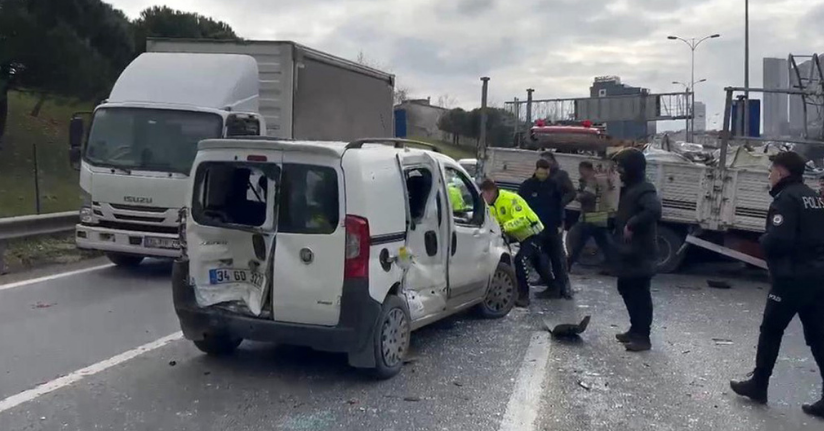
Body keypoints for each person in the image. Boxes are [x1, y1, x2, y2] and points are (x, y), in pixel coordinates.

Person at [730, 151, 824, 418]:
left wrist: (763, 241)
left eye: (771, 170)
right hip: (817, 276)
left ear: (782, 172)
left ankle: (759, 384)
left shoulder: (786, 199)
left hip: (791, 278)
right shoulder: (812, 197)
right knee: (818, 336)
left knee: (771, 330)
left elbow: (779, 240)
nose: (769, 175)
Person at [610, 148, 662, 352]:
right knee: (625, 288)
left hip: (641, 254)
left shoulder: (644, 188)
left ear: (632, 168)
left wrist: (632, 224)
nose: (619, 171)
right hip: (628, 253)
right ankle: (634, 329)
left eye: (622, 167)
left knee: (640, 294)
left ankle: (643, 337)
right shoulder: (631, 187)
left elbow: (654, 210)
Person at [480, 179, 554, 308]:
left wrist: (504, 227)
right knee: (537, 263)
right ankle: (553, 286)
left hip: (533, 232)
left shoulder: (510, 199)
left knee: (521, 260)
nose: (485, 198)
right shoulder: (490, 205)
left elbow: (522, 220)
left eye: (486, 194)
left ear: (492, 192)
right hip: (519, 235)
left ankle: (524, 296)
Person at [567, 161, 613, 272]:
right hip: (600, 215)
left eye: (581, 171)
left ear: (585, 169)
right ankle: (612, 266)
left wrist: (576, 195)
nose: (580, 174)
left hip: (591, 216)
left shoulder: (592, 180)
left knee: (579, 241)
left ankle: (568, 264)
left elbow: (588, 196)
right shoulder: (600, 178)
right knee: (604, 243)